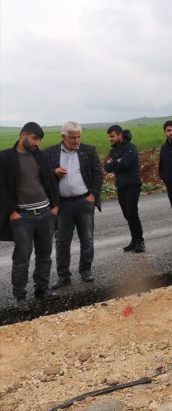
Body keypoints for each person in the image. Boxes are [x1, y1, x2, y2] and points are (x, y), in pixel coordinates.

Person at [0, 122, 60, 311]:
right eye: (35, 138)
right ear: (22, 135)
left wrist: (55, 205)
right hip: (22, 217)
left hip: (45, 212)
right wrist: (12, 212)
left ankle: (42, 289)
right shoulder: (6, 157)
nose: (38, 143)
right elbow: (1, 187)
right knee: (22, 258)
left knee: (44, 255)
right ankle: (20, 297)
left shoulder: (40, 156)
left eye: (40, 139)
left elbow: (49, 180)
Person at [44, 121, 103, 288]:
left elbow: (98, 174)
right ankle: (64, 276)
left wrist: (92, 195)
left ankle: (86, 270)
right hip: (62, 205)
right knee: (62, 241)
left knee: (87, 239)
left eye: (78, 137)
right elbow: (42, 176)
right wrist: (53, 172)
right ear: (63, 137)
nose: (76, 141)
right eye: (72, 137)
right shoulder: (50, 153)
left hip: (84, 202)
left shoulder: (88, 150)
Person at [104, 125, 145, 252]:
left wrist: (114, 162)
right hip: (121, 185)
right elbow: (107, 167)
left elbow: (126, 164)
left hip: (132, 184)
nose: (110, 139)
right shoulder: (114, 150)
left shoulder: (130, 147)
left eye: (112, 136)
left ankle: (140, 241)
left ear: (120, 135)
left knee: (132, 212)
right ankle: (134, 239)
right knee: (126, 213)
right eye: (109, 136)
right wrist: (118, 160)